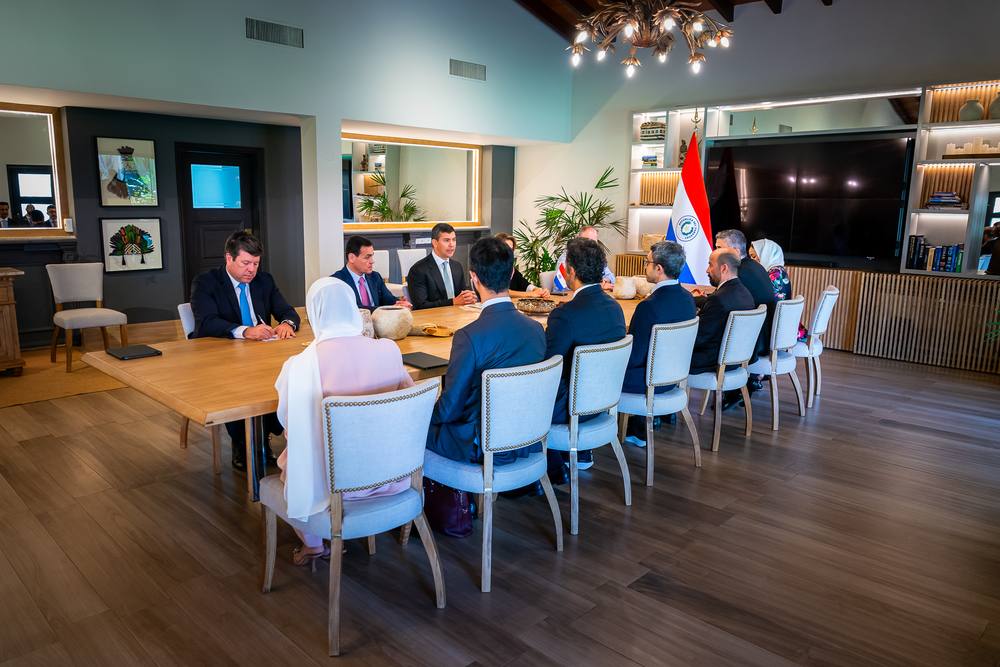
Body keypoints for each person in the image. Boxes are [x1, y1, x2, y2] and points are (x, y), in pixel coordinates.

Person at [274, 277, 414, 566]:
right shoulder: (388, 350)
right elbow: (408, 403)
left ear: (313, 314)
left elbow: (290, 425)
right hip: (394, 473)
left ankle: (313, 543)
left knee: (294, 457)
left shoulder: (300, 365)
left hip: (336, 486)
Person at [426, 237, 546, 464]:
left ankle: (446, 488)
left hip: (482, 445)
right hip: (528, 439)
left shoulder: (469, 336)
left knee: (412, 427)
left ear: (474, 277)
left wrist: (422, 416)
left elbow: (450, 408)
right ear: (511, 274)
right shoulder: (536, 330)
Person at [189, 230, 301, 470]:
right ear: (229, 258)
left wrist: (286, 324)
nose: (251, 270)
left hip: (261, 354)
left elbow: (288, 311)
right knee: (236, 382)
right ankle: (243, 442)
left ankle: (265, 434)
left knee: (288, 375)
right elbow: (206, 323)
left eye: (256, 264)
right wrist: (245, 331)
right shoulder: (206, 282)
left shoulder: (264, 280)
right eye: (246, 263)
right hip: (220, 355)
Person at [545, 237, 626, 476]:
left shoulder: (566, 314)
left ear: (571, 271)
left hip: (570, 407)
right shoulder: (615, 308)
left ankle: (541, 468)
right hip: (605, 400)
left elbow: (548, 365)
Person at [621, 241, 697, 448]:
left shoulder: (649, 306)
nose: (645, 267)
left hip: (647, 382)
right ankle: (636, 428)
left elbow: (634, 357)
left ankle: (588, 440)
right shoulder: (688, 299)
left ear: (659, 268)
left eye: (647, 262)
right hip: (674, 377)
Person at [690, 248, 756, 376]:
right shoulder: (745, 293)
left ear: (724, 268)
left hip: (711, 363)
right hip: (735, 362)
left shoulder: (718, 299)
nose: (707, 270)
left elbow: (698, 338)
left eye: (710, 265)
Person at [714, 229, 776, 360]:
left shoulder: (738, 272)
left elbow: (720, 302)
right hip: (764, 337)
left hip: (753, 344)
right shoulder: (755, 266)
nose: (715, 253)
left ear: (736, 251)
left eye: (719, 248)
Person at [406, 223, 476, 309]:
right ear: (435, 243)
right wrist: (452, 302)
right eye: (446, 240)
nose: (451, 244)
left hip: (459, 314)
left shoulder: (457, 266)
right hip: (433, 316)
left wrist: (468, 297)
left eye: (454, 240)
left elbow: (462, 296)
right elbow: (420, 305)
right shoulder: (418, 270)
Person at [332, 235, 412, 311]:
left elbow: (388, 299)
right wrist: (382, 310)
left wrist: (399, 303)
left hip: (380, 319)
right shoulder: (338, 281)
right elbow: (353, 309)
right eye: (367, 257)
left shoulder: (375, 276)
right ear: (351, 258)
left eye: (372, 256)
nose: (372, 261)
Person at [750, 238, 807, 340]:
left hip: (779, 330)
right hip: (783, 324)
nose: (752, 261)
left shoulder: (774, 274)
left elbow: (769, 303)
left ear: (766, 254)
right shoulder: (778, 270)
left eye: (754, 256)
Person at [554, 226, 615, 291]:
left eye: (594, 242)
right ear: (577, 239)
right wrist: (597, 286)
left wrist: (605, 281)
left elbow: (612, 278)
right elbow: (559, 287)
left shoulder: (596, 257)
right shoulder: (566, 258)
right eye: (586, 241)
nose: (590, 246)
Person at [495, 232, 550, 298]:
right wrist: (530, 294)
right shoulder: (489, 267)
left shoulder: (511, 270)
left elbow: (525, 285)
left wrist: (538, 290)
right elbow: (501, 291)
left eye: (511, 249)